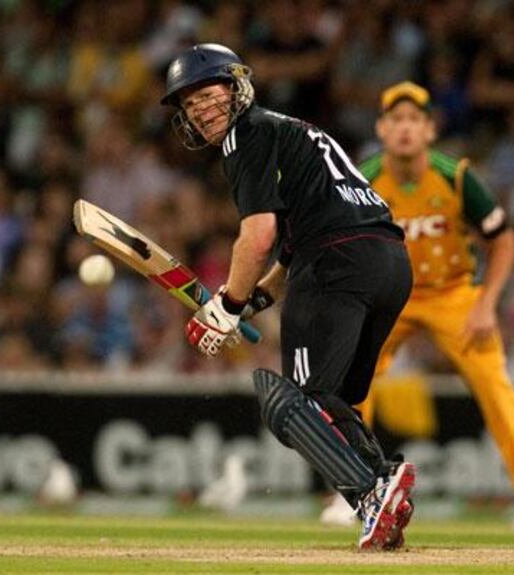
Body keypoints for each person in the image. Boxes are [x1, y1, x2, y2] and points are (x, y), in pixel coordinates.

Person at [160, 44, 415, 551]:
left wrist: (225, 308)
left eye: (209, 96)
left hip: (336, 263)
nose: (202, 112)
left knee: (292, 405)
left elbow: (258, 236)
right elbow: (291, 249)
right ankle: (383, 484)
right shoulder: (293, 132)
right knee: (328, 400)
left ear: (237, 90)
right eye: (190, 107)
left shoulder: (247, 135)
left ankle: (371, 491)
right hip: (387, 263)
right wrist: (251, 302)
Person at [320, 81, 514, 530]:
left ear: (430, 129)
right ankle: (350, 495)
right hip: (389, 297)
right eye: (397, 121)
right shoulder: (362, 178)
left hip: (453, 295)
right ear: (382, 129)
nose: (405, 129)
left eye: (414, 120)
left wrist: (487, 303)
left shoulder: (456, 177)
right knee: (350, 388)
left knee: (497, 388)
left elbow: (503, 241)